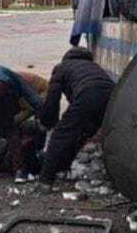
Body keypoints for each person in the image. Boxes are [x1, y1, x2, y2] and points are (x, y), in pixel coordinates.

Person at [38, 46, 114, 186]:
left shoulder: (62, 67)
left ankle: (45, 180)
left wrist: (48, 121)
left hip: (88, 95)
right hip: (113, 97)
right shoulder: (94, 67)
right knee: (81, 135)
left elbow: (52, 99)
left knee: (60, 136)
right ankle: (63, 167)